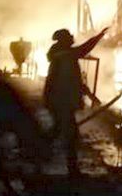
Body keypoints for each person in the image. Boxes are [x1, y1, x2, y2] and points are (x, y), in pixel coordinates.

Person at [43, 27, 108, 176]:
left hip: (57, 101)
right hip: (62, 102)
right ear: (64, 41)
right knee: (70, 135)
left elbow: (74, 81)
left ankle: (36, 149)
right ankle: (72, 171)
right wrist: (99, 36)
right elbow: (84, 49)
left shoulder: (61, 56)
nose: (72, 39)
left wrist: (91, 96)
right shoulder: (66, 56)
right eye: (69, 37)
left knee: (57, 130)